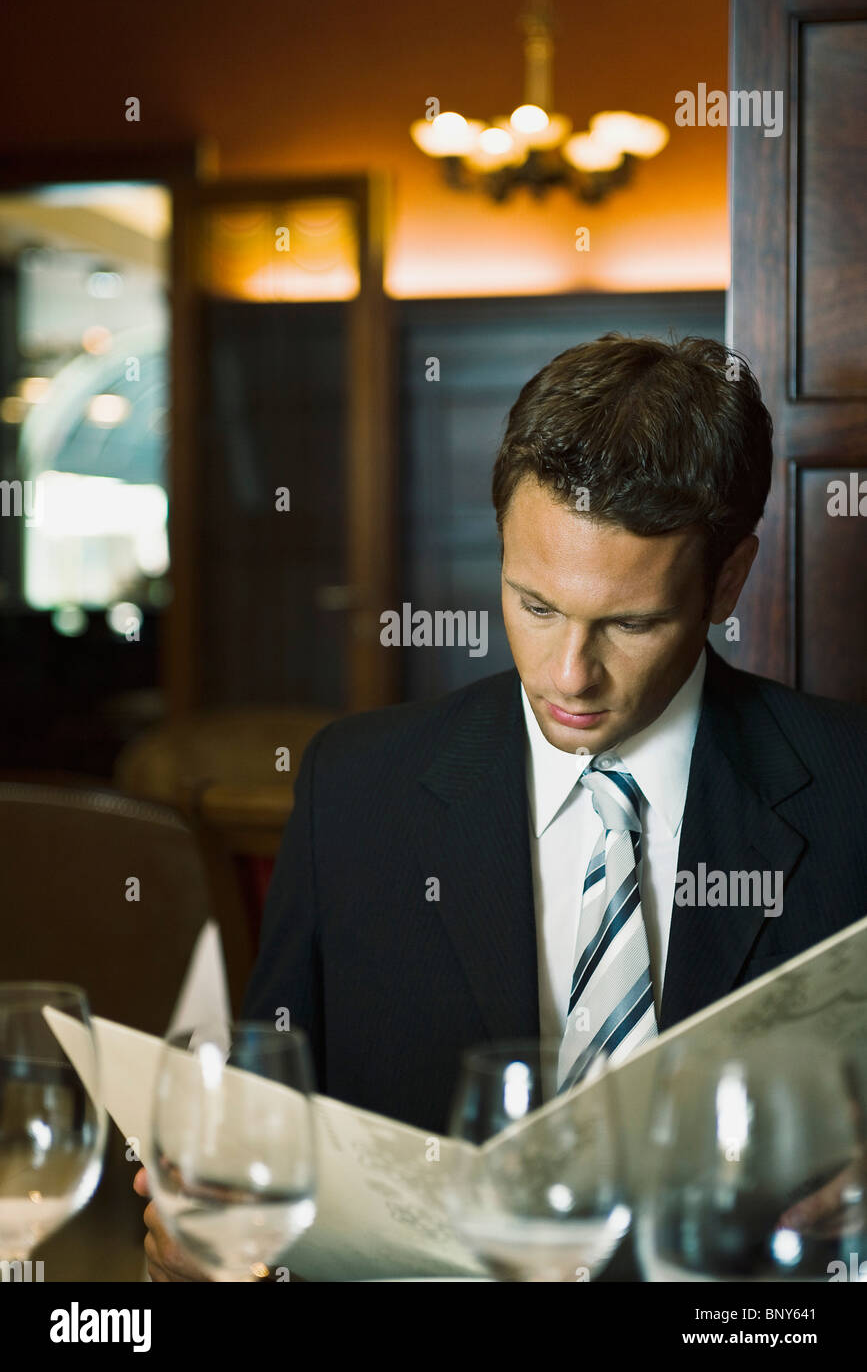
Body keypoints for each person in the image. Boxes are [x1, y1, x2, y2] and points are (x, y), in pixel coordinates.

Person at [139, 333, 867, 1281]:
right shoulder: (354, 791)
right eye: (533, 604)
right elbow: (262, 1121)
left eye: (630, 623)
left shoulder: (850, 787)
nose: (569, 674)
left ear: (727, 579)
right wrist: (200, 1239)